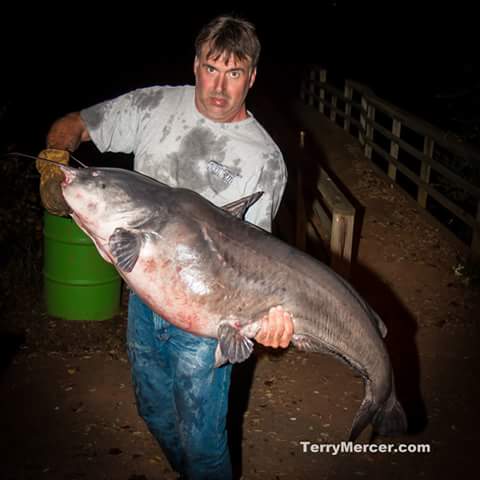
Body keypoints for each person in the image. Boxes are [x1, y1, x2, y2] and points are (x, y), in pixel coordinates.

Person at [37, 14, 294, 480]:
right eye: (211, 69)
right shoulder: (153, 106)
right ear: (195, 65)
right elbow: (74, 125)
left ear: (252, 77)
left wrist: (269, 321)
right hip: (145, 297)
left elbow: (260, 260)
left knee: (203, 440)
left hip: (208, 319)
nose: (219, 87)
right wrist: (54, 157)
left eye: (234, 74)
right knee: (153, 412)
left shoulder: (264, 159)